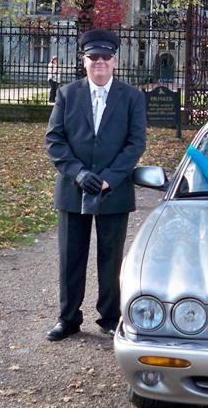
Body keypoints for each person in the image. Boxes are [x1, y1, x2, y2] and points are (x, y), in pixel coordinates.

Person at [44, 29, 147, 341]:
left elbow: (135, 143)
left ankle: (110, 317)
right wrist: (77, 173)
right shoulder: (67, 94)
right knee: (70, 257)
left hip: (113, 190)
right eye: (93, 57)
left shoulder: (131, 97)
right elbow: (55, 140)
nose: (99, 62)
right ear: (84, 60)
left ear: (114, 60)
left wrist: (109, 178)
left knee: (110, 257)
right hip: (73, 189)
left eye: (105, 57)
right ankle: (69, 318)